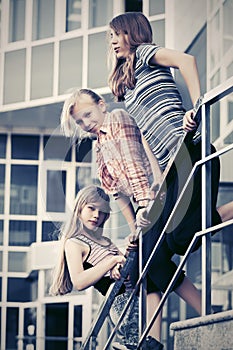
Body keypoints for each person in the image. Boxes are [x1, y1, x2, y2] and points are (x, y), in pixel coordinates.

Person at [60, 88, 206, 349]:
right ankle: (183, 323)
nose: (86, 124)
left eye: (88, 115)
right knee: (153, 263)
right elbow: (117, 194)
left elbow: (134, 166)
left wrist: (144, 208)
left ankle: (166, 334)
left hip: (157, 195)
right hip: (146, 206)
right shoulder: (98, 149)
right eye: (80, 122)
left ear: (101, 105)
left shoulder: (116, 119)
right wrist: (133, 230)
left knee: (158, 257)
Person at [107, 11, 233, 254]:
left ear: (132, 33)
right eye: (110, 36)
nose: (113, 41)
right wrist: (158, 177)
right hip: (172, 167)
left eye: (118, 34)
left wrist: (198, 108)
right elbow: (145, 134)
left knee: (182, 237)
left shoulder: (144, 53)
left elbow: (186, 60)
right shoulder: (129, 84)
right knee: (172, 242)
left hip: (191, 149)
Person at [49, 184, 161, 350]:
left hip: (137, 296)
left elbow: (123, 266)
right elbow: (79, 282)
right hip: (120, 301)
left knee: (151, 345)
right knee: (138, 345)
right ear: (79, 208)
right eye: (91, 208)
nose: (96, 216)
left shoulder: (106, 242)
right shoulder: (74, 243)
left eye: (102, 212)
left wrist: (127, 252)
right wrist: (112, 261)